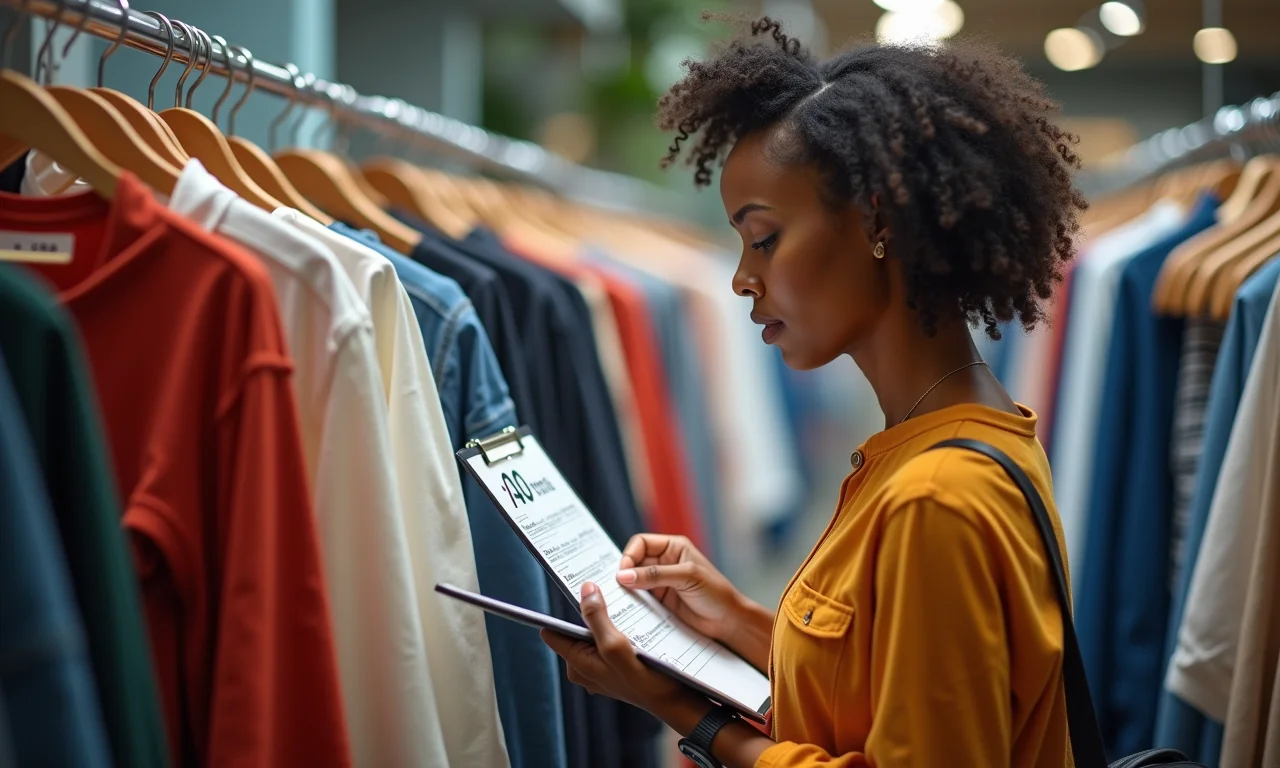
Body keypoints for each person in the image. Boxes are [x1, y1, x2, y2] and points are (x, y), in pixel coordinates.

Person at [540, 14, 1086, 768]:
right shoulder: (965, 439)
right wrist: (734, 617)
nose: (741, 279)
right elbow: (878, 686)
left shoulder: (936, 497)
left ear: (877, 220)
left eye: (764, 239)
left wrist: (680, 710)